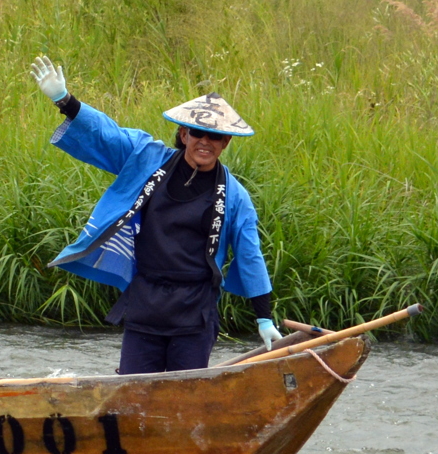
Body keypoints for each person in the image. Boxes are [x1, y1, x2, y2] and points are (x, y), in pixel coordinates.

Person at [30, 56, 282, 374]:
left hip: (195, 312)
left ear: (226, 142)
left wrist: (264, 317)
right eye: (196, 132)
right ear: (183, 134)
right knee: (133, 396)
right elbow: (109, 135)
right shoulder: (147, 158)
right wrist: (65, 100)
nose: (204, 142)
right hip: (146, 302)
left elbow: (250, 255)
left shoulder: (235, 196)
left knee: (184, 400)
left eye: (214, 136)